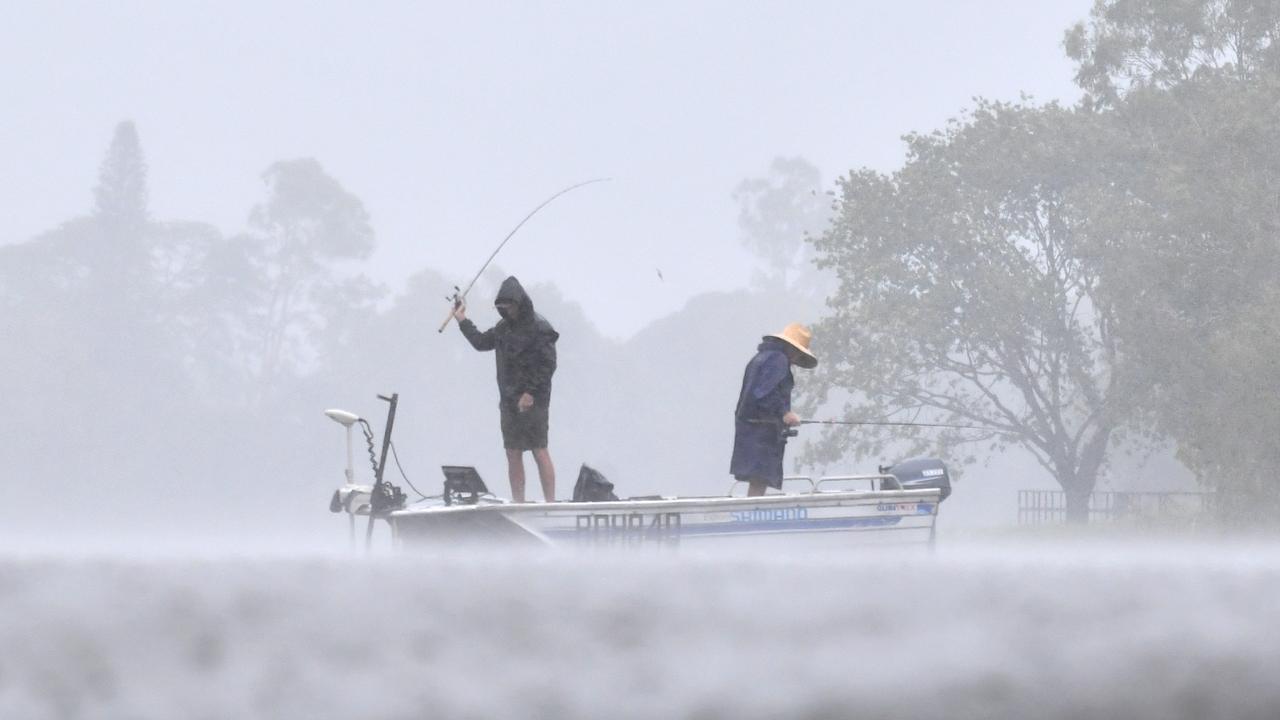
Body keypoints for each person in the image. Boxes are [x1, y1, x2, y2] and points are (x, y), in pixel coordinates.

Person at [452, 276, 559, 502]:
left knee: (539, 450)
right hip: (509, 402)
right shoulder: (502, 329)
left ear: (519, 303)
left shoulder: (540, 328)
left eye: (508, 306)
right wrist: (462, 319)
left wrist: (530, 393)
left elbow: (548, 364)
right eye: (501, 307)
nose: (505, 311)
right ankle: (518, 503)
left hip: (535, 402)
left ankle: (551, 503)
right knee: (512, 452)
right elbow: (481, 342)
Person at [730, 323, 818, 497]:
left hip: (749, 430)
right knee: (759, 477)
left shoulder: (762, 357)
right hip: (760, 434)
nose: (796, 359)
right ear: (793, 348)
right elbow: (764, 394)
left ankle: (752, 509)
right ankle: (753, 513)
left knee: (757, 479)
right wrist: (785, 413)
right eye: (798, 354)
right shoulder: (778, 360)